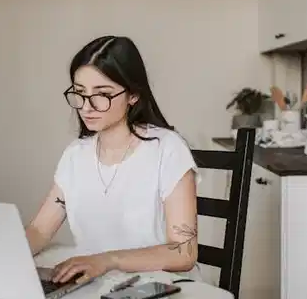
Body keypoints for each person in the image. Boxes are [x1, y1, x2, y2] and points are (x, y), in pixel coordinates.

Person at [25, 35, 201, 284]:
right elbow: (40, 230)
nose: (86, 106)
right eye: (79, 93)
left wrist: (106, 261)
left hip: (159, 286)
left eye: (102, 94)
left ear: (133, 95)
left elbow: (184, 252)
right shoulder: (75, 156)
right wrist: (2, 256)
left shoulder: (168, 150)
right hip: (97, 286)